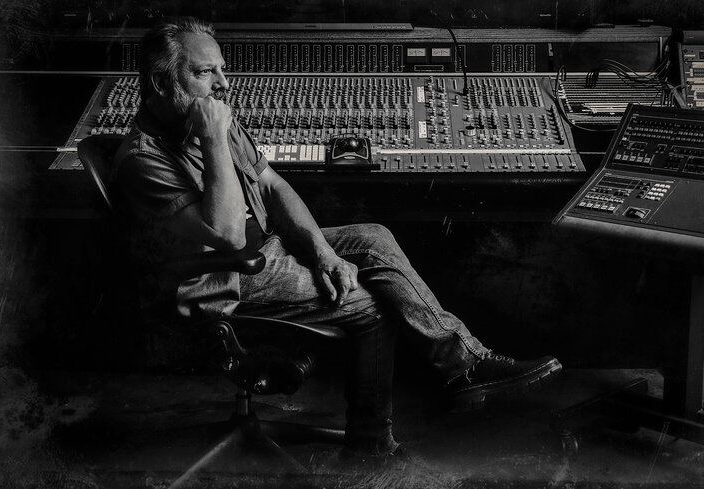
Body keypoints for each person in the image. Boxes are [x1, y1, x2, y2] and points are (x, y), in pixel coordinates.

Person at [112, 17, 562, 460]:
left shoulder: (213, 122)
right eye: (205, 71)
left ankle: (463, 362)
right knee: (368, 304)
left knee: (373, 239)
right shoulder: (144, 160)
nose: (223, 83)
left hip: (266, 249)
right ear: (160, 80)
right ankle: (370, 445)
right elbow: (228, 238)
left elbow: (272, 185)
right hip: (224, 279)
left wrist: (324, 254)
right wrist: (212, 140)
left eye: (222, 68)